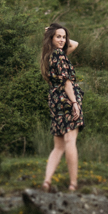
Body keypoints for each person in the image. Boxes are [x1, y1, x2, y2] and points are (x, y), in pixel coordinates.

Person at [40, 23, 83, 192]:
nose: (63, 40)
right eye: (58, 36)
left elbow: (75, 44)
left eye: (64, 37)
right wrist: (74, 104)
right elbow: (66, 82)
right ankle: (73, 184)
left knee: (58, 147)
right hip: (67, 99)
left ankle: (47, 181)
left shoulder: (49, 55)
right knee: (70, 141)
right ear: (51, 38)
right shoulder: (60, 55)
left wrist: (51, 34)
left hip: (54, 101)